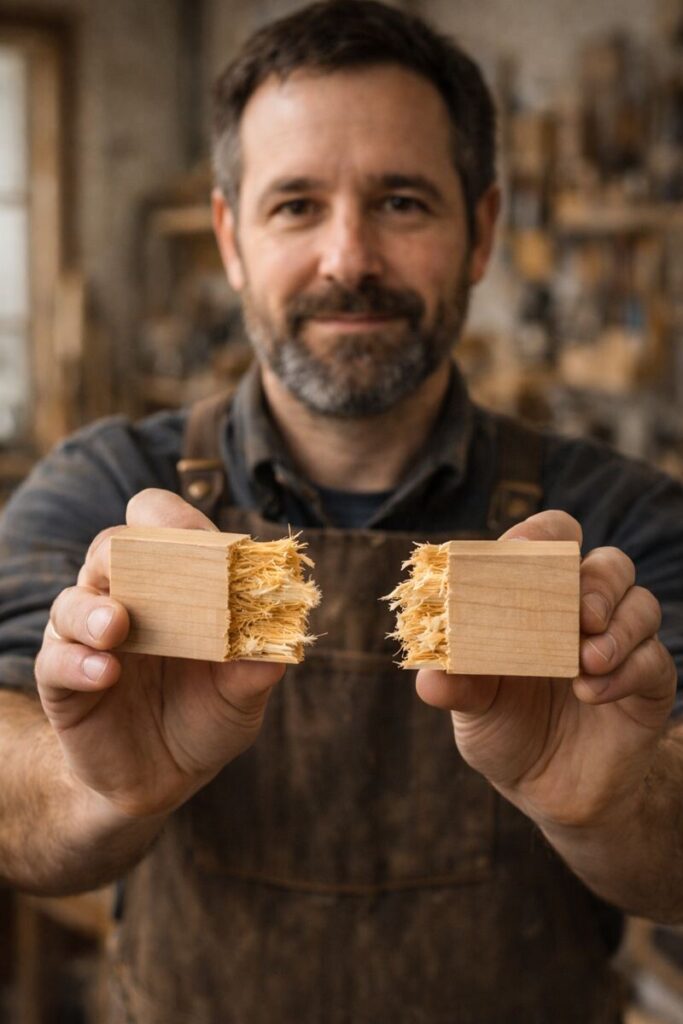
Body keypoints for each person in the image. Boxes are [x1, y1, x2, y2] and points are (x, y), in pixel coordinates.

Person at [1, 1, 682, 1020]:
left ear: (480, 230)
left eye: (402, 202)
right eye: (295, 206)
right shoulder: (101, 488)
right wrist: (96, 787)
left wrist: (611, 807)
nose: (347, 258)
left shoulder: (615, 521)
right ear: (231, 238)